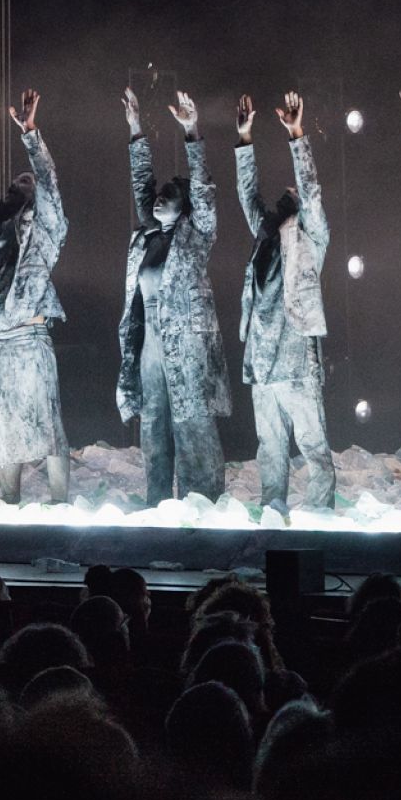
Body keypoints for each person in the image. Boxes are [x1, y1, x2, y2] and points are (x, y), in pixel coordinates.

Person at [115, 86, 229, 503]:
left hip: (187, 348)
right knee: (153, 422)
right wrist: (135, 127)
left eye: (170, 194)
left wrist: (192, 132)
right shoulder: (147, 238)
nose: (159, 197)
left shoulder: (196, 236)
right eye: (160, 194)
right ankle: (158, 500)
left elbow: (204, 190)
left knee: (192, 421)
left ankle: (203, 502)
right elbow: (141, 183)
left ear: (185, 206)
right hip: (150, 344)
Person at [0, 88, 70, 503]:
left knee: (47, 423)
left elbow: (50, 182)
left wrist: (31, 133)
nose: (19, 182)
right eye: (15, 181)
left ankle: (60, 501)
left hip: (28, 335)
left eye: (27, 180)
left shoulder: (46, 225)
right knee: (5, 429)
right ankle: (10, 503)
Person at [233, 90, 334, 513]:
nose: (285, 194)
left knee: (312, 443)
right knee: (270, 445)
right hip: (261, 357)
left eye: (291, 194)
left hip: (295, 358)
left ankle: (320, 515)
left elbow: (310, 191)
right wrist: (244, 138)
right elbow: (248, 194)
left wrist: (297, 135)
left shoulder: (311, 236)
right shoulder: (265, 237)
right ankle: (273, 511)